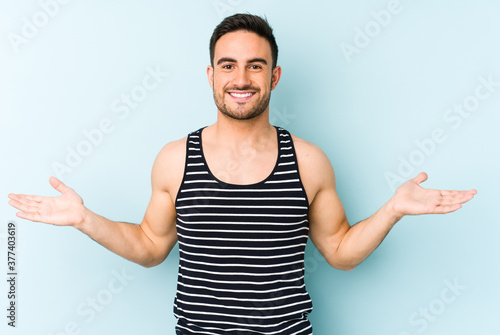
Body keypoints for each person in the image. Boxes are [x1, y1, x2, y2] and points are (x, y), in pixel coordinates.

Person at [8, 13, 476, 335]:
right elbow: (151, 247)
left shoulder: (308, 161)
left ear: (273, 77)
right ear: (211, 74)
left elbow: (338, 251)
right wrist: (84, 218)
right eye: (229, 65)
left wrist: (393, 209)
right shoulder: (175, 158)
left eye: (256, 66)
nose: (242, 78)